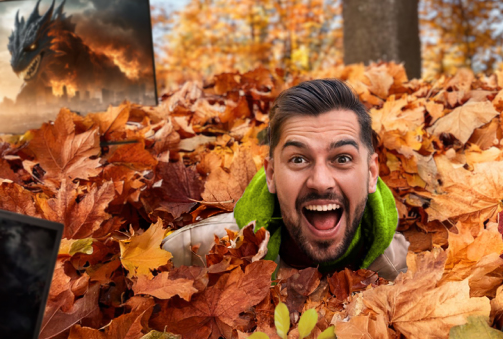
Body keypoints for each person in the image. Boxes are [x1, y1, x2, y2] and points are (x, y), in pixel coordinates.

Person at [162, 79, 408, 280]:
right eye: (298, 160)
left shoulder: (405, 269)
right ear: (271, 175)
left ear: (371, 173)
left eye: (342, 159)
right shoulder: (189, 254)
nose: (321, 182)